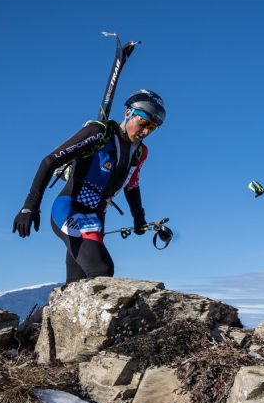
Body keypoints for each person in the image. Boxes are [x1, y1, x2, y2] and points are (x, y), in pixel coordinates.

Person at [13, 90, 165, 284]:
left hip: (96, 218)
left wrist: (139, 219)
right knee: (101, 270)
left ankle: (50, 314)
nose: (145, 132)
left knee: (77, 282)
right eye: (144, 123)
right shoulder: (99, 132)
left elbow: (132, 185)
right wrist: (30, 206)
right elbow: (49, 162)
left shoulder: (140, 152)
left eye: (152, 127)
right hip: (69, 209)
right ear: (128, 113)